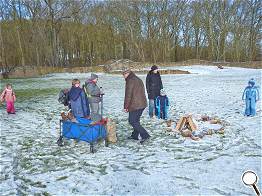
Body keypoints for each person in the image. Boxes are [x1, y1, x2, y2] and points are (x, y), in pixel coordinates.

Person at [123, 68, 150, 144]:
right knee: (136, 121)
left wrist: (126, 107)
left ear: (127, 73)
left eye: (124, 75)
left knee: (132, 121)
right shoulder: (137, 78)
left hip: (135, 105)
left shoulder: (130, 80)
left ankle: (145, 135)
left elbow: (128, 95)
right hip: (141, 103)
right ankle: (134, 135)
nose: (123, 77)